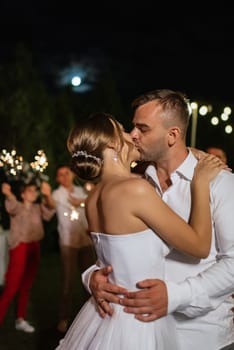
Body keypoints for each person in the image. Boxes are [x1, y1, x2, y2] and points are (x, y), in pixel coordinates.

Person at [55, 111, 227, 349]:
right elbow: (198, 246)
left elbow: (109, 260)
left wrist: (90, 276)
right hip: (139, 319)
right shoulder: (135, 189)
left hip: (107, 315)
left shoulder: (93, 197)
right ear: (113, 143)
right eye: (123, 130)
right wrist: (200, 184)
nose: (132, 136)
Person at [0, 181, 55, 332]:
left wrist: (48, 194)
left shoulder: (38, 208)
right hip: (20, 247)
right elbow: (12, 205)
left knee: (26, 285)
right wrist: (9, 193)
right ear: (23, 194)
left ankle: (20, 319)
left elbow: (50, 209)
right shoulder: (18, 206)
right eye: (29, 190)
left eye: (34, 191)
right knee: (12, 286)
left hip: (34, 246)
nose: (33, 193)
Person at [52, 165, 96, 333]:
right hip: (68, 242)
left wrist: (82, 201)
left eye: (67, 173)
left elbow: (92, 201)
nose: (64, 176)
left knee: (91, 280)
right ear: (58, 179)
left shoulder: (81, 191)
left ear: (71, 175)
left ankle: (91, 317)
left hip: (85, 240)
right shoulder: (57, 194)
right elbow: (50, 203)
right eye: (60, 174)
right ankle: (63, 318)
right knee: (68, 281)